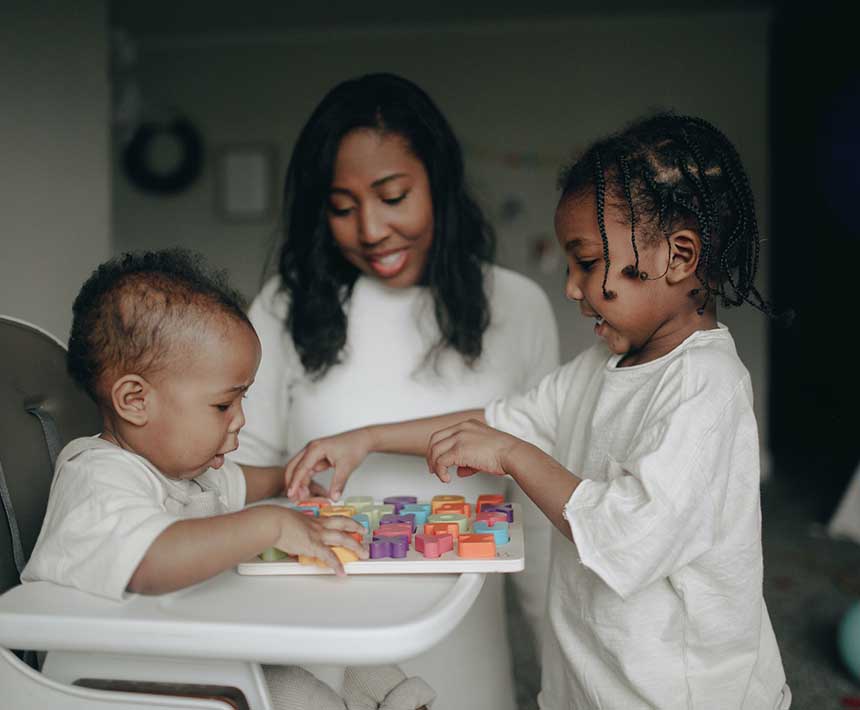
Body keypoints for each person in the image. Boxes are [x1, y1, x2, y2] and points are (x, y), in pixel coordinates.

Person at [283, 113, 793, 709]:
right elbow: (496, 422)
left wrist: (513, 457)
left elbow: (627, 536)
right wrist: (366, 438)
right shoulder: (599, 371)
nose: (572, 287)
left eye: (586, 261)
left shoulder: (707, 387)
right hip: (597, 681)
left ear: (678, 257)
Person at [233, 73, 559, 709]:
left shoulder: (519, 307)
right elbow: (236, 477)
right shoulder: (284, 307)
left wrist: (561, 664)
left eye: (393, 196)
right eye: (342, 206)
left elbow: (541, 507)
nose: (372, 230)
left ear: (438, 181)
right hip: (318, 640)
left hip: (466, 641)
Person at [20, 249, 429, 710]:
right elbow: (152, 560)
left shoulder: (189, 472)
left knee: (354, 646)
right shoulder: (95, 477)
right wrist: (269, 525)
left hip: (197, 652)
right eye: (223, 405)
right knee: (298, 695)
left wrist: (285, 478)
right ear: (135, 400)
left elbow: (240, 483)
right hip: (124, 680)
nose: (240, 421)